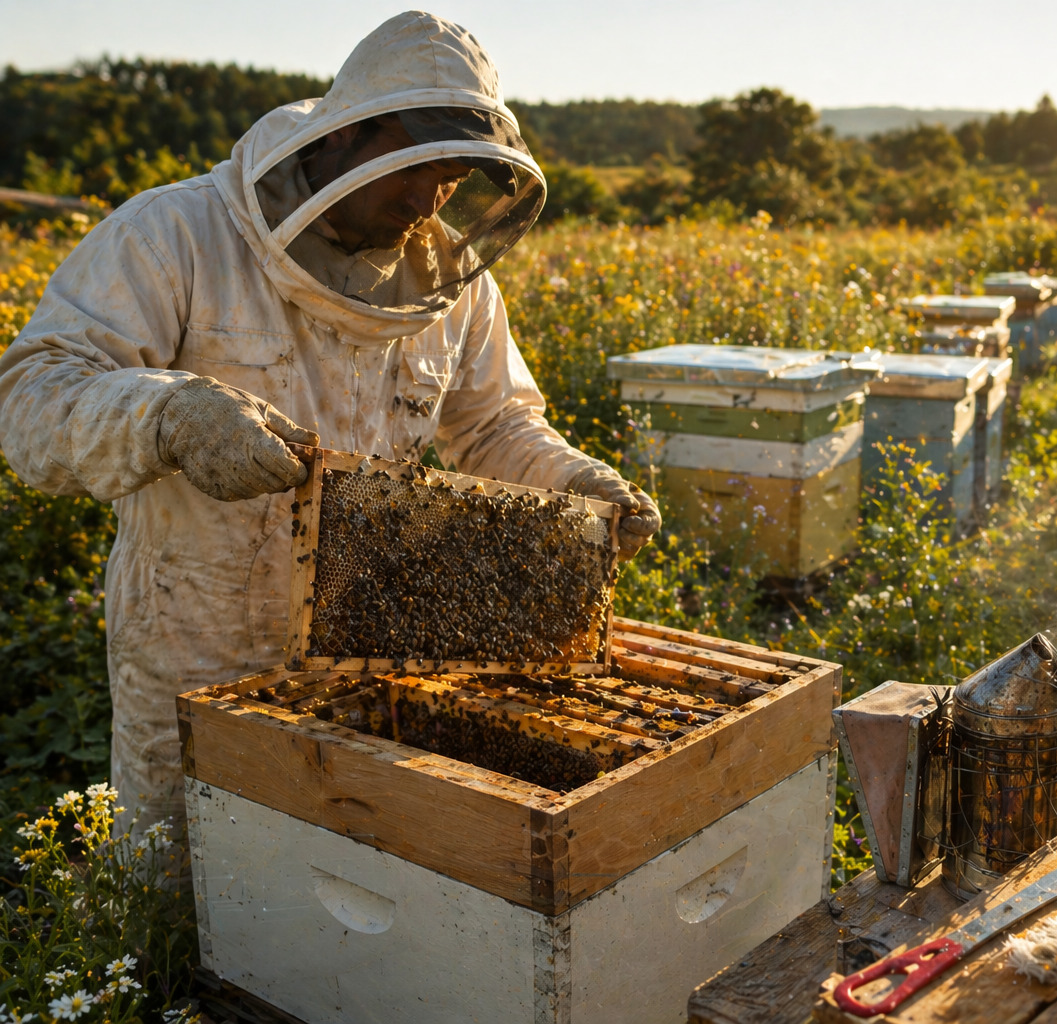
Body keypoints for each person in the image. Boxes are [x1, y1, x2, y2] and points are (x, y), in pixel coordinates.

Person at [0, 11, 660, 842]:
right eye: (415, 167)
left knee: (340, 889)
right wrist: (167, 412)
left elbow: (493, 426)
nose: (427, 201)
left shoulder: (449, 285)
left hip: (370, 651)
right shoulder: (175, 234)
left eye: (452, 178)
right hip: (195, 641)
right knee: (180, 884)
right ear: (348, 134)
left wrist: (576, 484)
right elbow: (32, 398)